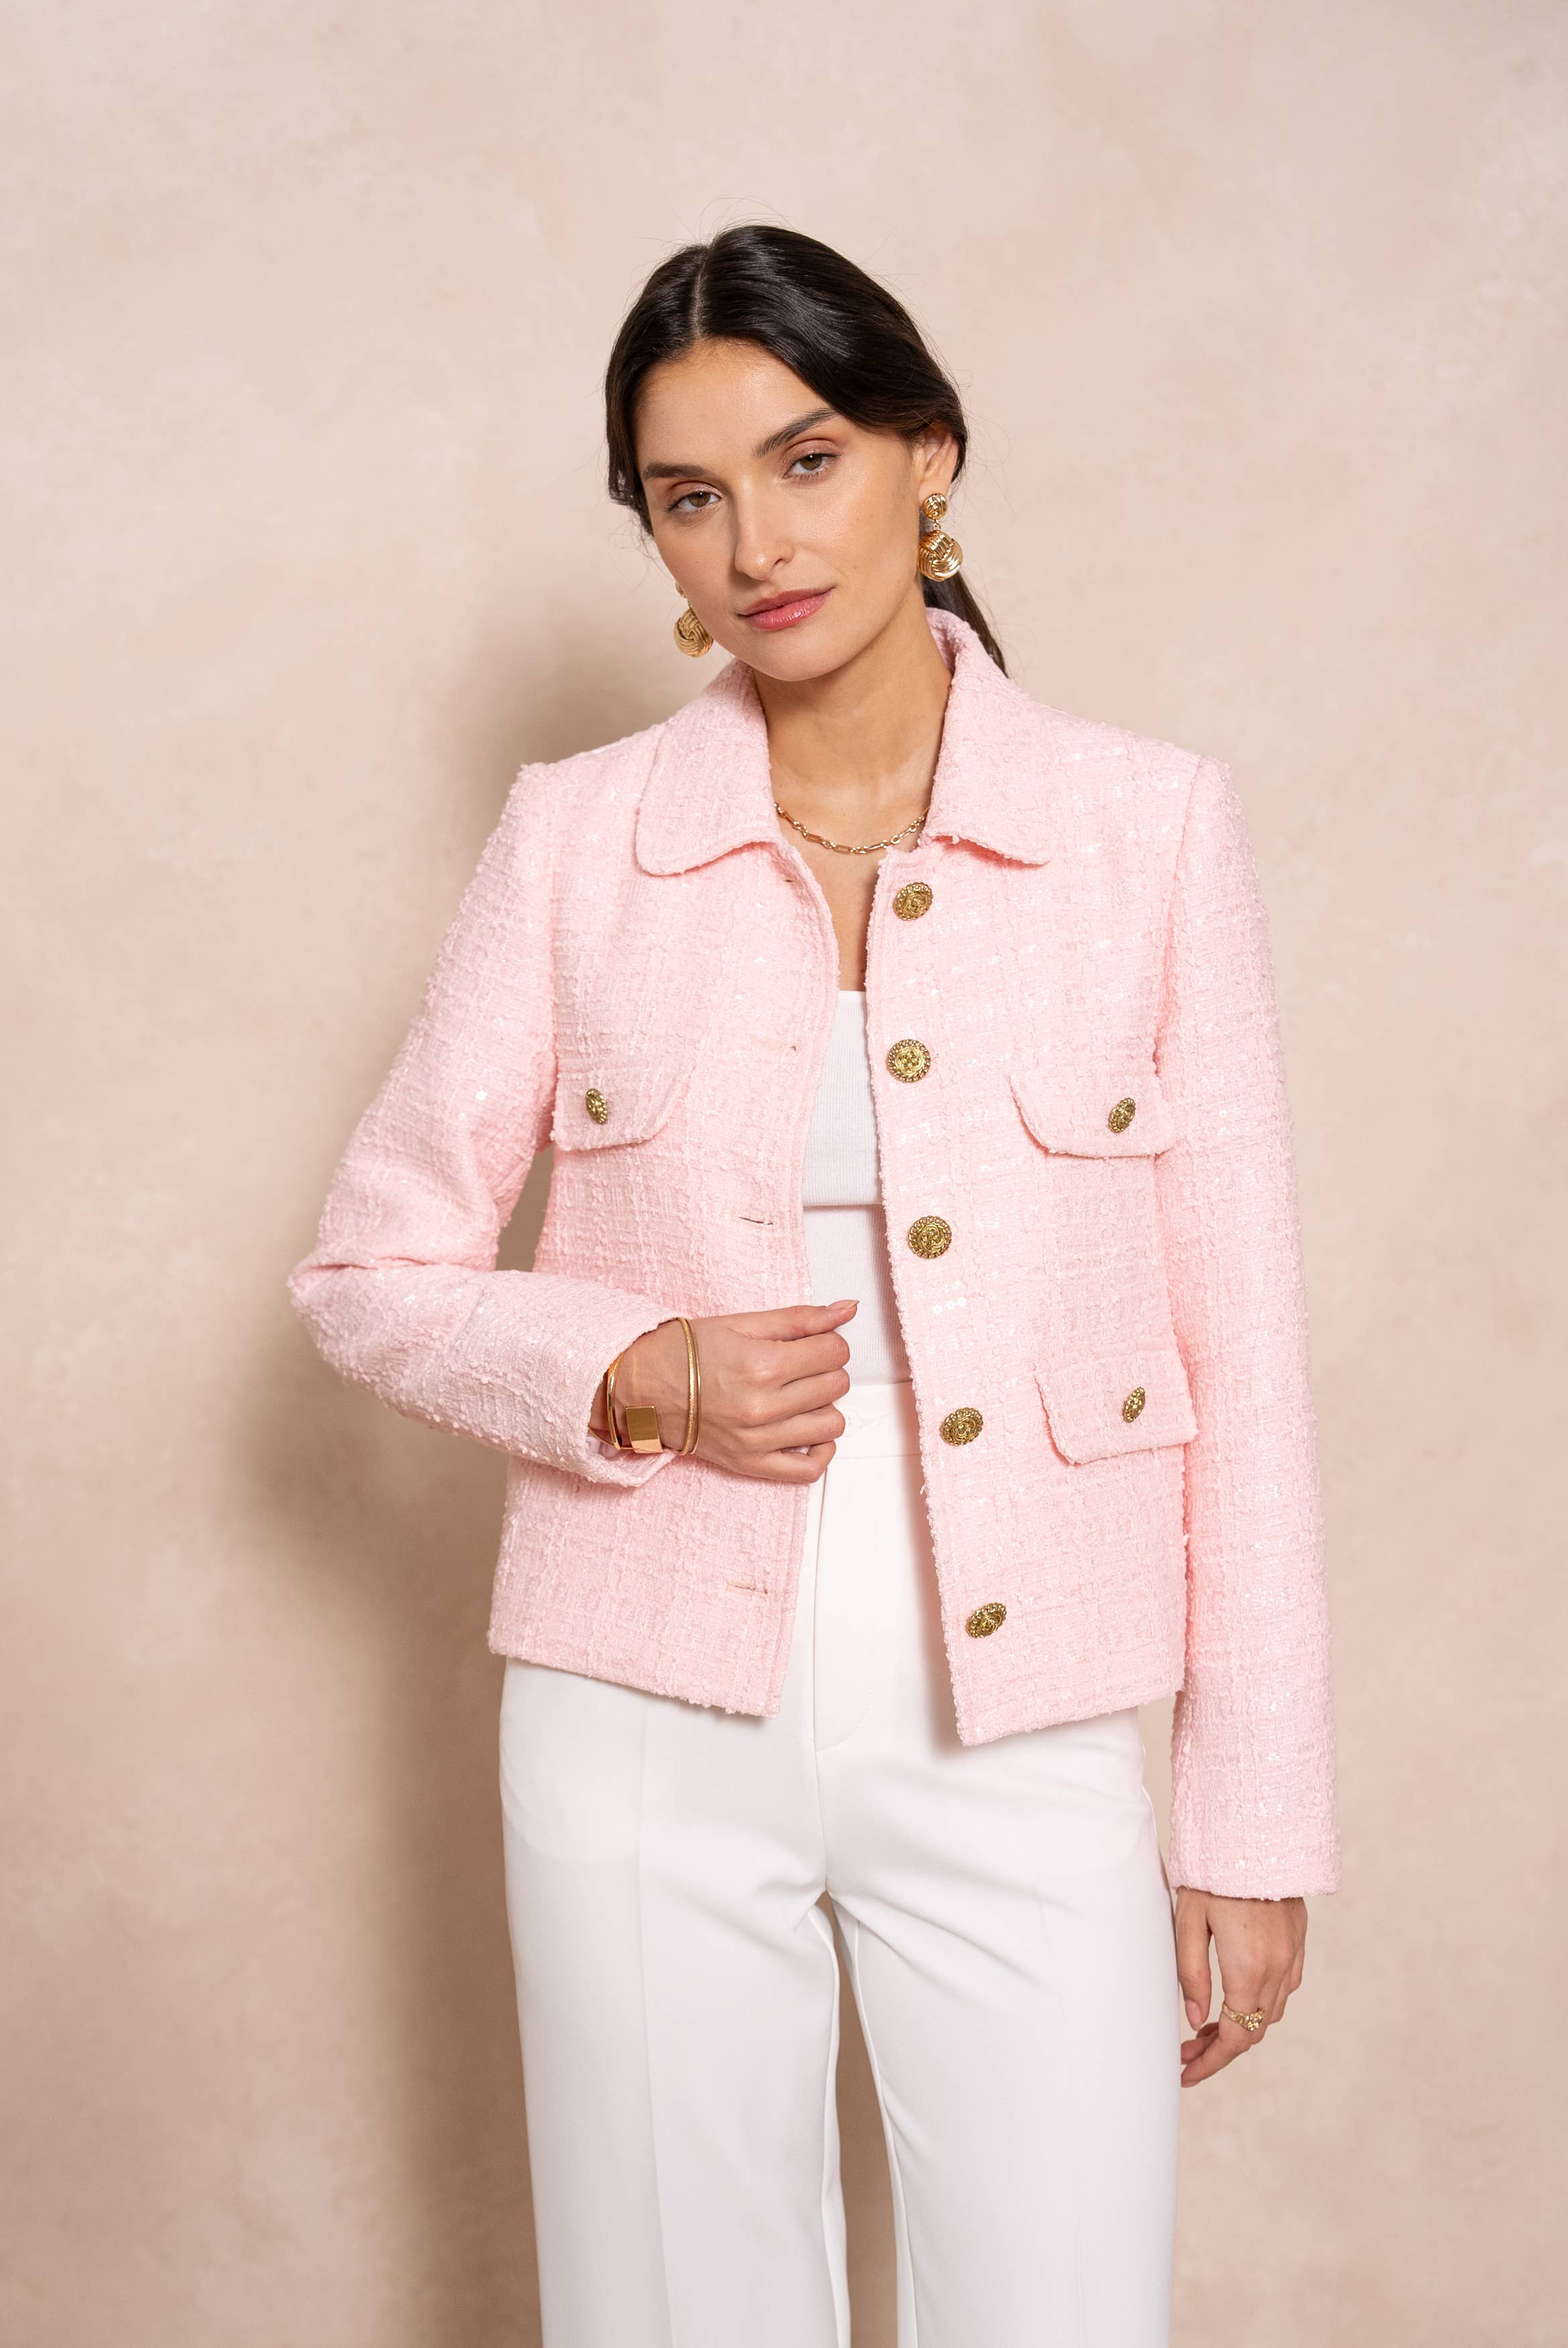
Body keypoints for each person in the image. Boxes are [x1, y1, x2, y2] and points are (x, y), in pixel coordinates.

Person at [288, 224, 1340, 2348]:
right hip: (637, 1704)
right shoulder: (578, 835)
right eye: (690, 494)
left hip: (1024, 1705)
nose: (757, 543)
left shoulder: (1143, 831)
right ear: (655, 539)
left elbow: (1240, 1343)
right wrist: (631, 1364)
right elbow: (368, 1268)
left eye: (806, 460)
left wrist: (1249, 1813)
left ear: (924, 459)